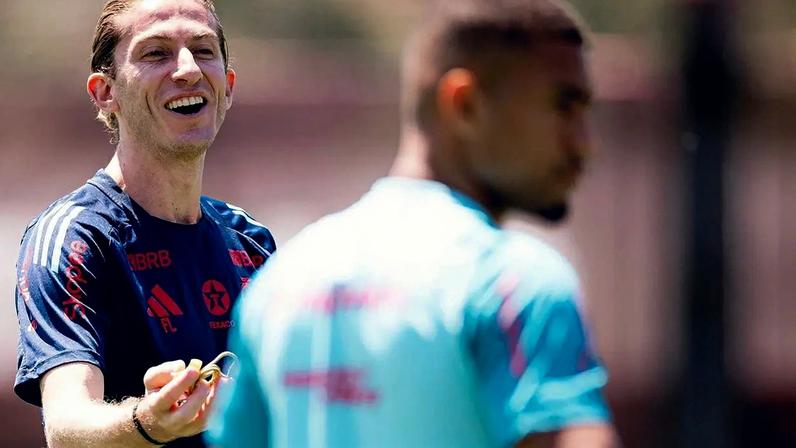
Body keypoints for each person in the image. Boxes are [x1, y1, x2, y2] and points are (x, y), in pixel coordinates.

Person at [208, 0, 618, 446]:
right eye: (565, 106)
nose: (586, 144)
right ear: (464, 104)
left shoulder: (280, 284)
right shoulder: (512, 283)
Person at [13, 0, 275, 446]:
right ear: (104, 93)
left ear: (227, 87)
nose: (189, 69)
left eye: (204, 50)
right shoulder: (75, 237)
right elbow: (65, 428)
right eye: (156, 53)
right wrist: (148, 420)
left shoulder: (250, 239)